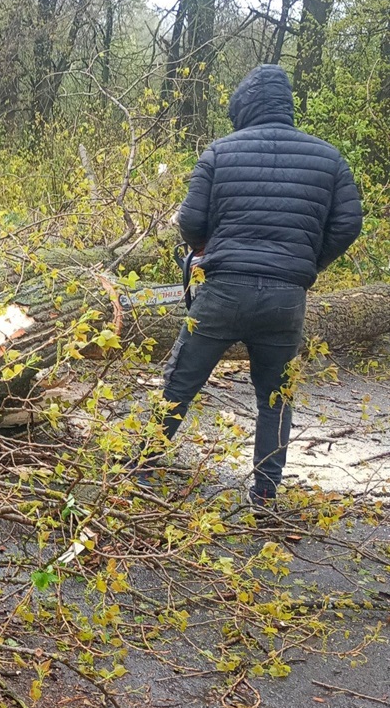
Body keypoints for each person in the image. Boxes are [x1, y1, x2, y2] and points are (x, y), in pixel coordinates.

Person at [147, 64, 362, 509]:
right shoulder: (329, 158)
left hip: (223, 290)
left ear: (243, 106)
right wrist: (304, 264)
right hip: (285, 300)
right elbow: (348, 224)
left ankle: (141, 468)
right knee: (275, 396)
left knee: (180, 381)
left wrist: (204, 248)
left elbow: (189, 220)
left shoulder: (220, 152)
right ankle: (264, 494)